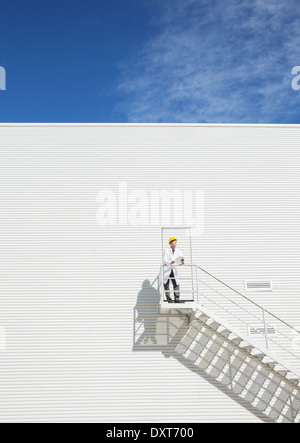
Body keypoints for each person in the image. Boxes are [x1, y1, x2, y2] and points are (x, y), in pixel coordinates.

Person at [162, 237, 185, 303]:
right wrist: (170, 262)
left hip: (174, 269)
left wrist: (182, 262)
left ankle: (177, 298)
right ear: (170, 243)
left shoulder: (178, 251)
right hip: (167, 269)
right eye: (174, 241)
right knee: (166, 284)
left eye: (176, 241)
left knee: (176, 283)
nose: (175, 242)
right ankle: (169, 299)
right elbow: (164, 260)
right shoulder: (166, 250)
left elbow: (181, 259)